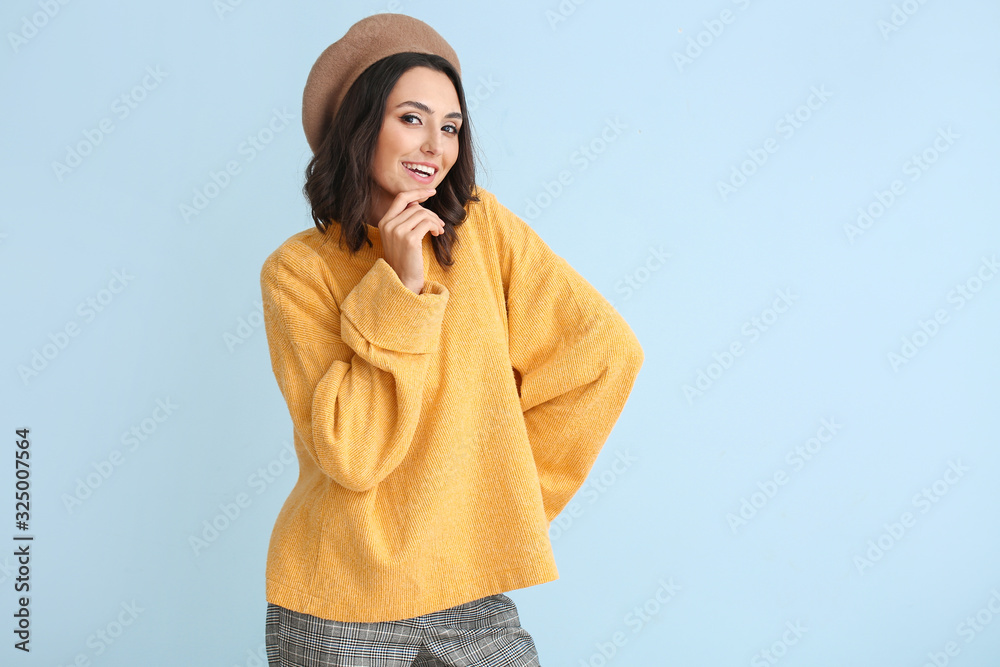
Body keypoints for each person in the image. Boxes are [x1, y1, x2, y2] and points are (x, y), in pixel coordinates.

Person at [259, 13, 644, 667]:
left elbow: (602, 357)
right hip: (341, 597)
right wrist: (402, 285)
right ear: (360, 125)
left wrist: (496, 502)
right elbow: (350, 455)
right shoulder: (298, 271)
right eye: (411, 118)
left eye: (450, 125)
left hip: (468, 588)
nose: (435, 145)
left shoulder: (484, 231)